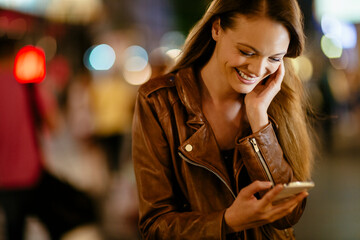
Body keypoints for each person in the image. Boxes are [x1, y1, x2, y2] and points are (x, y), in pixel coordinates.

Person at [132, 0, 314, 239]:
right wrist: (227, 221)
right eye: (247, 52)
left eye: (275, 58)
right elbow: (154, 226)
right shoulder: (159, 102)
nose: (258, 71)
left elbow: (288, 214)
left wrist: (259, 119)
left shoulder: (276, 100)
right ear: (216, 28)